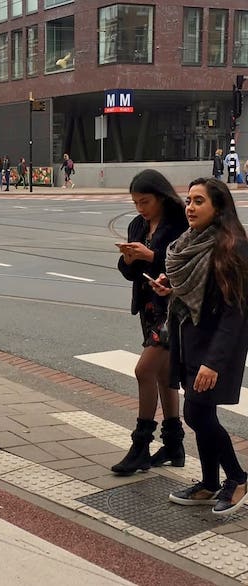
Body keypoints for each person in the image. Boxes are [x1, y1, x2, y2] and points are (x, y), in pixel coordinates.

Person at [149, 178, 248, 515]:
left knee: (196, 412)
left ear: (218, 207)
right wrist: (170, 288)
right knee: (201, 412)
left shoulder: (231, 246)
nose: (190, 207)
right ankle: (208, 483)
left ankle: (237, 478)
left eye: (199, 201)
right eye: (188, 200)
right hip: (188, 339)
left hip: (215, 347)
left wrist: (214, 362)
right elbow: (193, 290)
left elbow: (236, 312)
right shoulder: (188, 242)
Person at [111, 170, 188, 476]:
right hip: (148, 306)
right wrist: (129, 260)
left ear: (161, 196)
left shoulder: (181, 224)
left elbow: (182, 265)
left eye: (145, 201)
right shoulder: (137, 225)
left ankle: (141, 445)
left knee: (144, 369)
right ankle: (174, 444)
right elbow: (128, 271)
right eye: (135, 202)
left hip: (174, 308)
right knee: (163, 374)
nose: (140, 208)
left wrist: (152, 255)